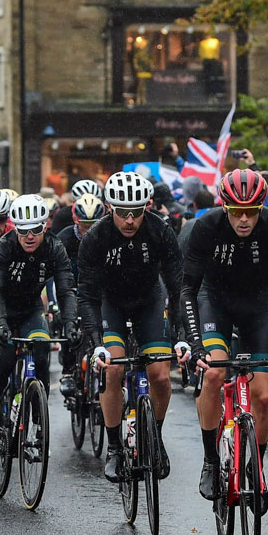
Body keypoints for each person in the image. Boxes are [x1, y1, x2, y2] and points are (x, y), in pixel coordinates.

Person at [181, 169, 268, 509]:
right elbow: (188, 289)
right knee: (215, 373)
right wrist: (196, 343)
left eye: (251, 211)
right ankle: (209, 460)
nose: (244, 219)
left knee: (263, 396)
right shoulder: (207, 227)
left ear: (261, 207)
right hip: (215, 301)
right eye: (237, 212)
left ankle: (255, 467)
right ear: (225, 207)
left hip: (257, 307)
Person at [78, 172, 185, 482]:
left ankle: (155, 437)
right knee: (113, 369)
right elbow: (86, 294)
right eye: (122, 212)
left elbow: (178, 288)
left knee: (161, 376)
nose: (129, 220)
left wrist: (181, 336)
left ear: (146, 208)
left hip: (149, 301)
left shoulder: (159, 230)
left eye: (136, 212)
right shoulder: (96, 237)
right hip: (110, 302)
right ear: (110, 208)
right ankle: (114, 448)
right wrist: (96, 341)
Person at [0, 194, 76, 456]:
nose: (29, 236)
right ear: (15, 228)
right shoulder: (5, 246)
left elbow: (66, 290)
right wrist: (0, 324)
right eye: (23, 230)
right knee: (7, 355)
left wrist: (71, 324)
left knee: (41, 349)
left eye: (35, 229)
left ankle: (39, 422)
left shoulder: (55, 247)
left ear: (45, 226)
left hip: (30, 308)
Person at [56, 194, 104, 394]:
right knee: (68, 324)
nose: (89, 230)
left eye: (94, 225)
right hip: (72, 289)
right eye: (85, 225)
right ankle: (68, 371)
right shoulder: (64, 239)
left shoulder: (108, 235)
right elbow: (55, 274)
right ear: (75, 219)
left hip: (98, 289)